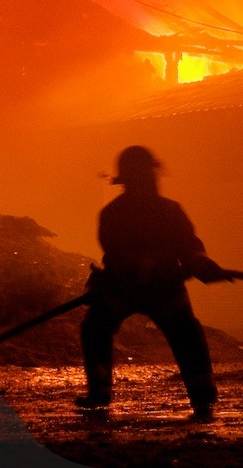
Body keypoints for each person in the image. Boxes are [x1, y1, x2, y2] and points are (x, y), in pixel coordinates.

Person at [77, 145, 230, 418]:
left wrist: (200, 262)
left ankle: (202, 398)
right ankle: (99, 393)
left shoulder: (168, 211)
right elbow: (115, 253)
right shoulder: (116, 214)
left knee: (187, 333)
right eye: (144, 177)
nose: (149, 182)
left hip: (160, 287)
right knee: (95, 328)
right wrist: (139, 269)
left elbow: (189, 246)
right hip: (128, 287)